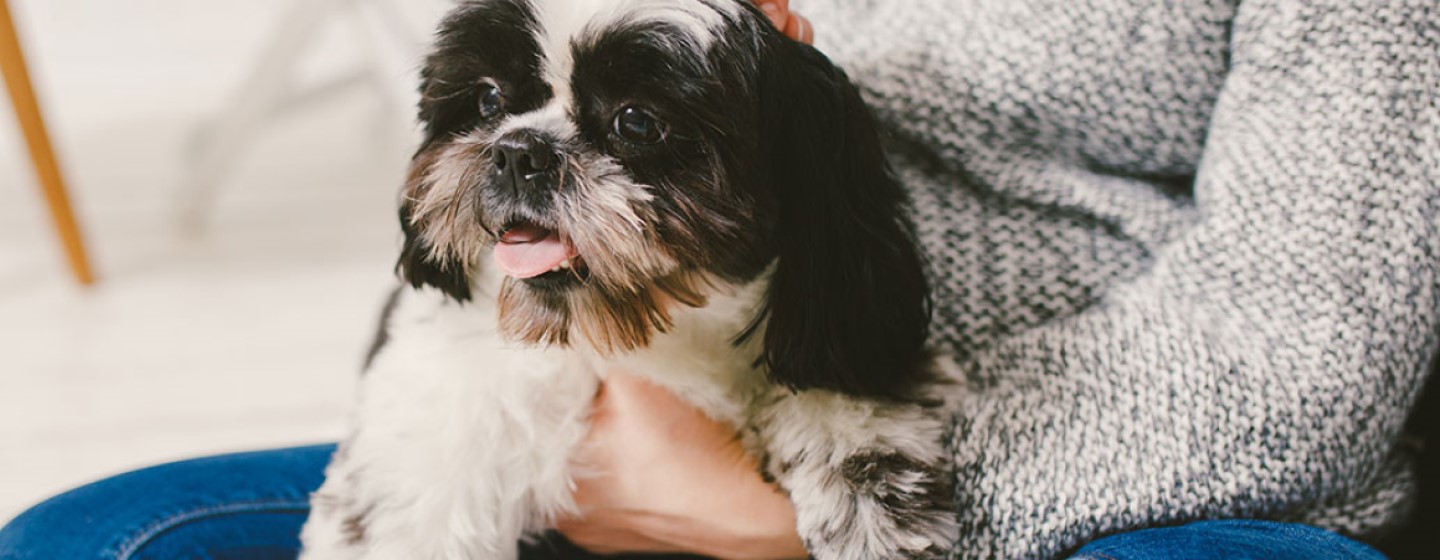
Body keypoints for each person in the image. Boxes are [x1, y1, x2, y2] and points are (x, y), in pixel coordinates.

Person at [3, 0, 1433, 558]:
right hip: (610, 420)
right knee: (75, 545)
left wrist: (776, 518)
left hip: (1088, 485)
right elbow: (471, 231)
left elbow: (1307, 340)